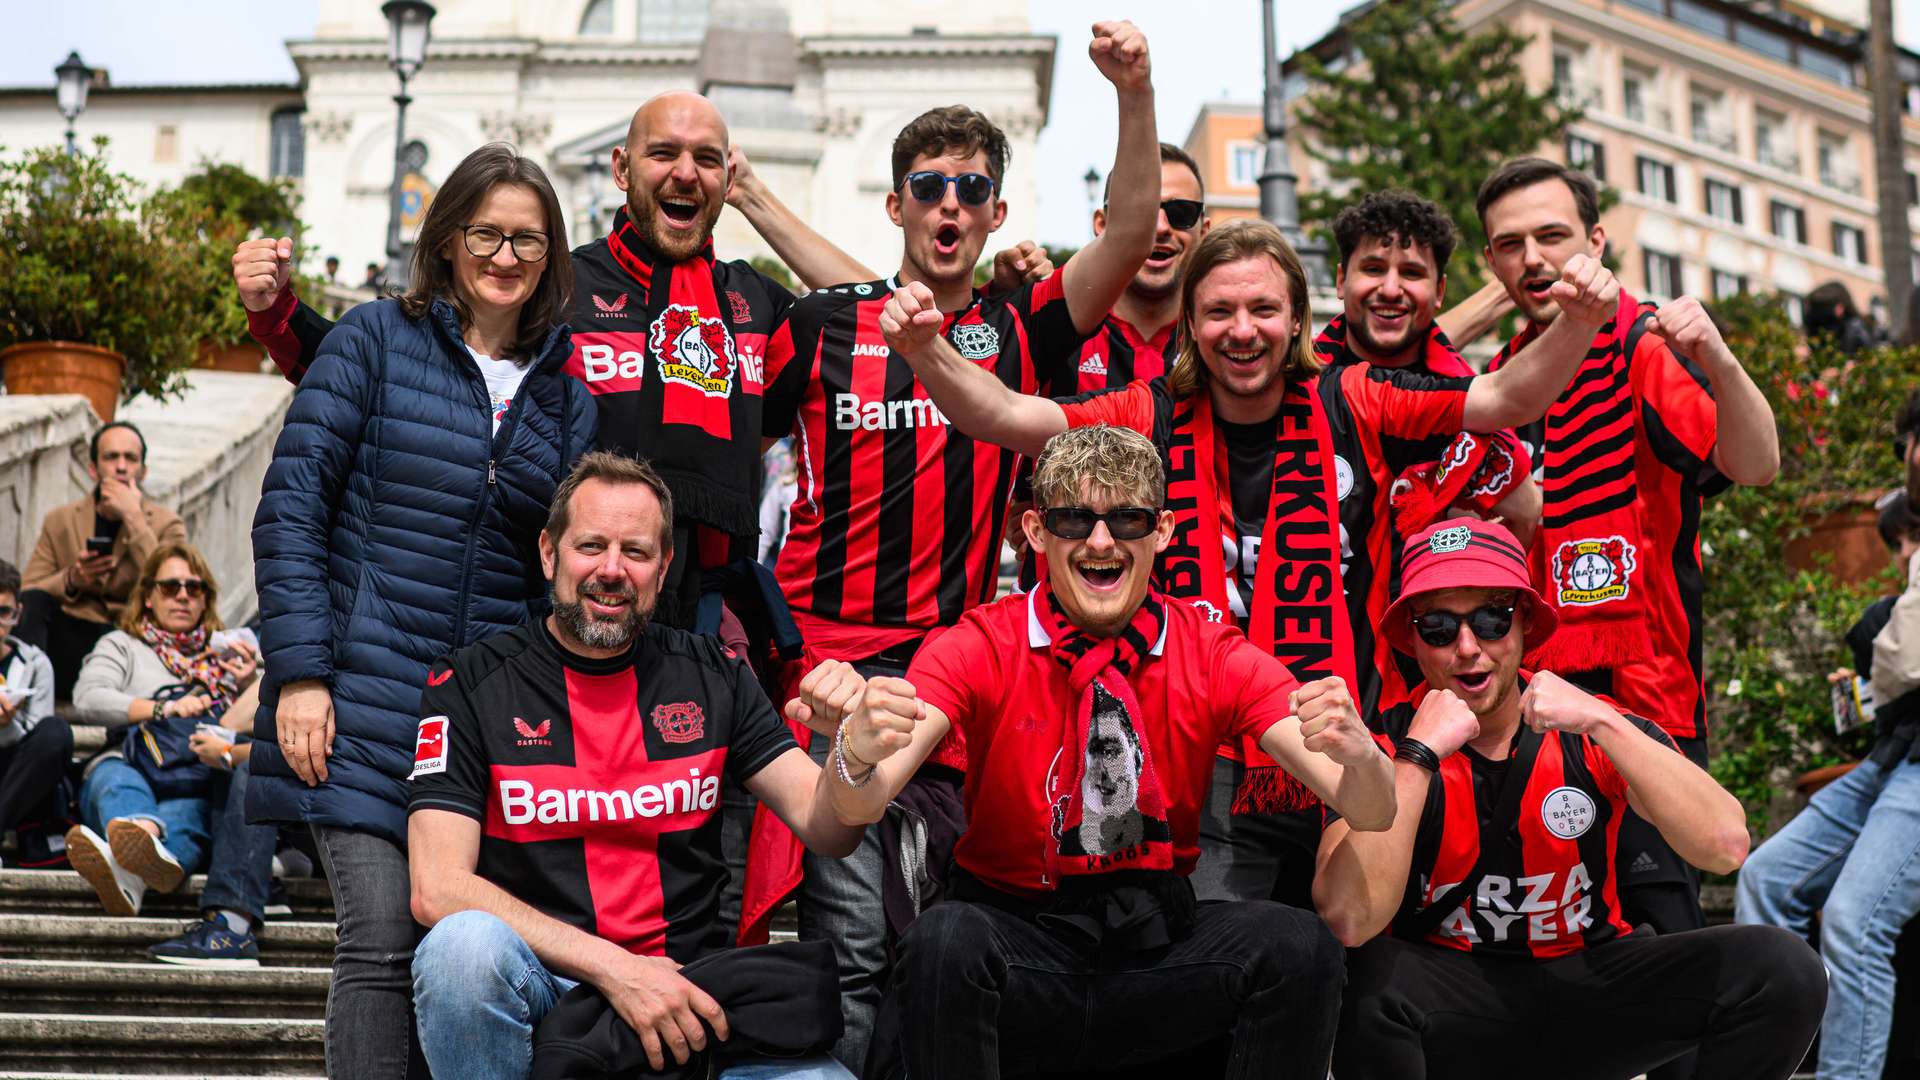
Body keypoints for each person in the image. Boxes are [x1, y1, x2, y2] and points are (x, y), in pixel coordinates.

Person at [883, 217, 1617, 907]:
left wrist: (1580, 323)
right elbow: (1007, 416)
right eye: (1218, 313)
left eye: (1263, 310)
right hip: (1198, 763)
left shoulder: (1352, 398)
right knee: (1226, 963)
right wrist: (926, 350)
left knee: (1344, 955)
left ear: (1297, 318)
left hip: (1342, 742)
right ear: (1190, 325)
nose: (1241, 332)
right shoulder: (1152, 410)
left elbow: (1503, 397)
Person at [746, 23, 1161, 1069]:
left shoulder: (1025, 329)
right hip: (827, 666)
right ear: (896, 207)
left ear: (996, 214)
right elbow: (716, 464)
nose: (949, 205)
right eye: (928, 186)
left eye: (971, 190)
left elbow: (1131, 233)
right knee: (843, 931)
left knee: (940, 924)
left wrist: (1134, 92)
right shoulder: (819, 324)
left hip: (959, 668)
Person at [802, 423, 1395, 1080]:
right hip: (1016, 934)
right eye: (1074, 520)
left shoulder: (1210, 648)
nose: (1102, 542)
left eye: (1128, 519)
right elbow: (865, 801)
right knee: (944, 941)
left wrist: (1364, 755)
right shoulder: (977, 642)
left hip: (1156, 942)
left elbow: (1367, 811)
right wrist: (851, 750)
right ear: (1035, 532)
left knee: (1299, 945)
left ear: (1163, 531)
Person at [248, 143, 599, 1078]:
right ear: (446, 240)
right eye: (486, 232)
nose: (506, 255)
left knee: (461, 948)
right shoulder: (371, 340)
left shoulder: (566, 398)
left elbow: (560, 574)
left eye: (529, 239)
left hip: (480, 730)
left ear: (552, 255)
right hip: (356, 705)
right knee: (380, 941)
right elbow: (291, 509)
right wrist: (302, 674)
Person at [1318, 516, 1825, 1080]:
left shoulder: (1584, 722)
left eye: (1492, 619)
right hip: (1457, 1002)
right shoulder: (1382, 745)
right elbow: (1348, 920)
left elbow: (1726, 845)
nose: (1468, 648)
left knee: (1786, 969)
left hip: (1591, 985)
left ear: (1525, 625)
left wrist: (1605, 719)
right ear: (1411, 640)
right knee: (1358, 981)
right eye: (1438, 626)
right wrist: (1417, 757)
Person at [407, 452, 860, 1080]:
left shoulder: (716, 674)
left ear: (665, 566)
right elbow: (436, 887)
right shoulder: (470, 683)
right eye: (591, 545)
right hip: (546, 993)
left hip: (688, 999)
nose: (612, 570)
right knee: (459, 951)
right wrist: (618, 970)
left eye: (637, 552)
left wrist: (853, 755)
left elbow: (829, 826)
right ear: (549, 554)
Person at [1474, 158, 1779, 991]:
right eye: (1509, 245)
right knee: (1548, 949)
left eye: (1553, 236)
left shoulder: (1641, 344)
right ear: (1493, 266)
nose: (1533, 258)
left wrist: (1717, 355)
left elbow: (1752, 464)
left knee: (1662, 949)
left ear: (1597, 240)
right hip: (1526, 705)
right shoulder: (1505, 376)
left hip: (1643, 700)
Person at [1736, 490, 1920, 1080]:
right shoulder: (1893, 606)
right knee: (1765, 877)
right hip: (1891, 759)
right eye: (1895, 544)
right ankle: (1782, 1061)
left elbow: (1905, 665)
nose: (1902, 556)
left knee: (1853, 920)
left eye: (1908, 540)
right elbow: (1887, 684)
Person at [64, 545, 269, 954]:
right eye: (171, 586)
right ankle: (143, 832)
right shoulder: (123, 645)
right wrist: (163, 708)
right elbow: (87, 698)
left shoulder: (228, 655)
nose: (182, 595)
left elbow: (263, 724)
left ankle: (128, 873)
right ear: (148, 595)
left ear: (206, 599)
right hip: (126, 761)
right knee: (114, 779)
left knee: (192, 817)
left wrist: (247, 684)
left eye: (194, 588)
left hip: (191, 780)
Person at [19, 422, 188, 700]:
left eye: (130, 458)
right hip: (74, 638)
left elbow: (173, 585)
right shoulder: (61, 520)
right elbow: (26, 590)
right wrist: (72, 580)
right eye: (111, 457)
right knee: (35, 602)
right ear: (93, 469)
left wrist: (134, 518)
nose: (121, 467)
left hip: (134, 643)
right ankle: (26, 701)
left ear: (143, 471)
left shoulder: (167, 523)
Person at [0, 559, 66, 869]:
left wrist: (7, 723)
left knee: (56, 733)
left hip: (13, 770)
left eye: (3, 614)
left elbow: (39, 745)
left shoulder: (35, 663)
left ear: (17, 615)